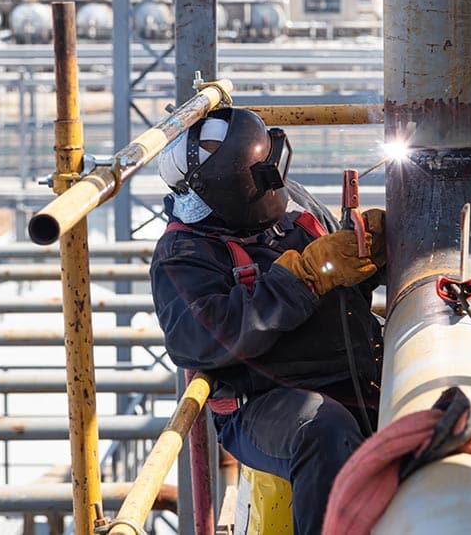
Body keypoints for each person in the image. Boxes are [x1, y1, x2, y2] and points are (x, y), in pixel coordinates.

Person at [150, 107, 386, 535]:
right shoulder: (183, 255)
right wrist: (304, 279)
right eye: (257, 178)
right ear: (232, 186)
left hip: (351, 375)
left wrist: (375, 256)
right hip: (264, 403)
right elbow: (201, 339)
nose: (272, 184)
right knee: (323, 430)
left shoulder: (292, 205)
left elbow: (344, 282)